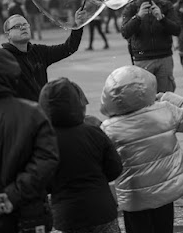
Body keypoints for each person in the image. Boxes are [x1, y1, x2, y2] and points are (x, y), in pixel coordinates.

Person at [100, 65, 183, 233]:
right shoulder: (165, 110)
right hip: (165, 191)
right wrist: (168, 97)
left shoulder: (108, 128)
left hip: (133, 198)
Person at [0, 46, 59, 233]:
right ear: (12, 72)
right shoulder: (32, 112)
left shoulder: (32, 113)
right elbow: (46, 160)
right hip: (29, 215)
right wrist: (12, 195)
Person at [39, 77, 123, 233]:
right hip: (102, 209)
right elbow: (115, 169)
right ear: (76, 103)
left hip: (67, 216)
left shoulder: (44, 142)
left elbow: (42, 182)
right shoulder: (93, 132)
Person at [2, 10, 85, 102]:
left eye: (25, 25)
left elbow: (69, 48)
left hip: (41, 110)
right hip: (19, 112)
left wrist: (77, 25)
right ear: (7, 35)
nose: (23, 28)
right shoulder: (2, 57)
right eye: (17, 26)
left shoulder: (39, 51)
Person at [121, 0, 180, 93]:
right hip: (142, 59)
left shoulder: (166, 5)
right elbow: (125, 33)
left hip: (164, 58)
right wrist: (138, 17)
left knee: (165, 97)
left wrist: (162, 18)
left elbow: (177, 30)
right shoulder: (131, 8)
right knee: (145, 97)